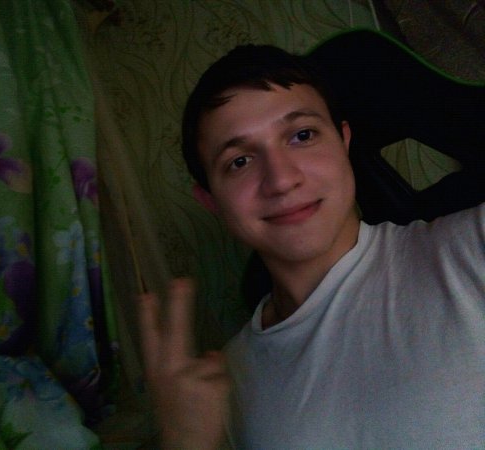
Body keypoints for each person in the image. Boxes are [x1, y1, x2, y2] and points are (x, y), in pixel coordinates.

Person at [138, 44, 485, 449]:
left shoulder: (472, 247)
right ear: (211, 201)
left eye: (302, 135)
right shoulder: (219, 387)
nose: (281, 180)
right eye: (240, 161)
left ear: (343, 142)